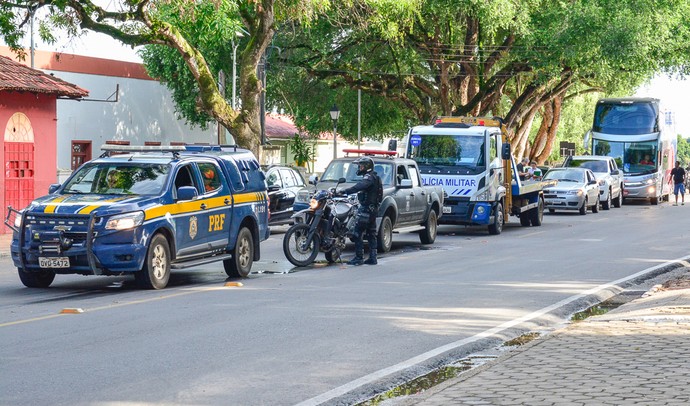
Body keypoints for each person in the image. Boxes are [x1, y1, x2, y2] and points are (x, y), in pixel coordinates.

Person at [339, 157, 380, 266]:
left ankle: (359, 257)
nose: (359, 168)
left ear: (366, 167)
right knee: (371, 233)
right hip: (372, 209)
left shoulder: (369, 177)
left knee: (357, 233)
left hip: (366, 209)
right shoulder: (374, 177)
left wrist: (345, 191)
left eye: (361, 166)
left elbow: (360, 186)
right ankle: (373, 257)